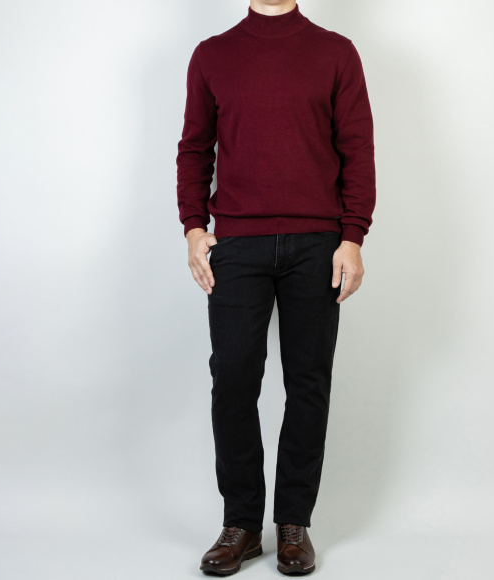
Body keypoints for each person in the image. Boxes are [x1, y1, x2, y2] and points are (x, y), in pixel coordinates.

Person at [176, 0, 375, 574]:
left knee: (308, 382)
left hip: (318, 244)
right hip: (238, 245)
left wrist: (353, 236)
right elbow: (195, 148)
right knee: (233, 380)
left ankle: (293, 523)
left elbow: (357, 148)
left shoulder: (335, 53)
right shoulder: (213, 55)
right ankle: (241, 524)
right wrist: (193, 227)